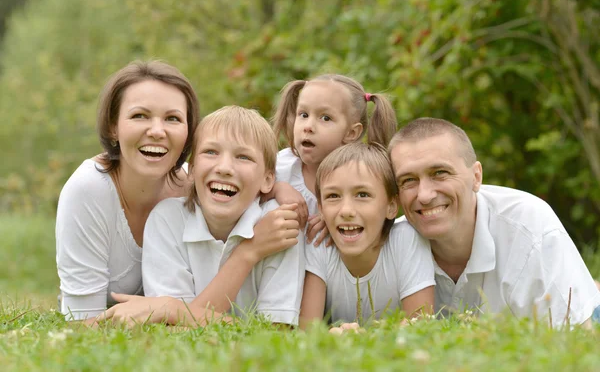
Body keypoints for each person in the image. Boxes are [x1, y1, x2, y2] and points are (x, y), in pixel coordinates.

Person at [56, 62, 299, 323]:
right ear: (114, 126)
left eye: (172, 118)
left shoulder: (198, 184)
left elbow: (253, 177)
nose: (157, 131)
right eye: (140, 115)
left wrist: (281, 190)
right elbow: (82, 324)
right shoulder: (89, 189)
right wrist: (247, 252)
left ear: (187, 133)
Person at [96, 106, 304, 327]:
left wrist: (173, 309)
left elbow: (275, 332)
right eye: (211, 152)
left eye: (243, 157)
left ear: (268, 180)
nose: (224, 168)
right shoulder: (167, 220)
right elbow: (172, 330)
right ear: (192, 170)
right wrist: (248, 252)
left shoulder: (279, 223)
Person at [388, 117, 600, 327]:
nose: (424, 195)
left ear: (476, 176)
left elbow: (578, 337)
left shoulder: (529, 227)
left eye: (440, 173)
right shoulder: (390, 246)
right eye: (408, 180)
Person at [299, 142, 435, 329]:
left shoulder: (406, 239)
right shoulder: (319, 243)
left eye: (362, 194)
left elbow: (422, 323)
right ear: (321, 208)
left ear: (391, 206)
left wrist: (372, 335)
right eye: (333, 196)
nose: (346, 210)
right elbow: (307, 331)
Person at [272, 74, 397, 245]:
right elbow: (246, 189)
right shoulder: (281, 165)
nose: (308, 126)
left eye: (325, 118)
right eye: (303, 114)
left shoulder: (363, 175)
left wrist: (335, 216)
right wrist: (278, 189)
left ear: (351, 133)